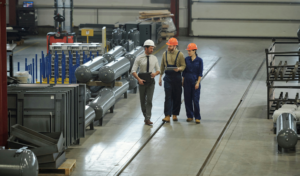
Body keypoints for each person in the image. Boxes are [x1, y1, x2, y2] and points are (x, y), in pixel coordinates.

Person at [131, 39, 160, 125]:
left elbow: (159, 69)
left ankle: (148, 118)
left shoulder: (154, 58)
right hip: (142, 82)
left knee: (149, 100)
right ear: (146, 48)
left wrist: (155, 73)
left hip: (151, 81)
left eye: (153, 48)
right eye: (151, 48)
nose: (152, 50)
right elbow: (133, 71)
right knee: (143, 100)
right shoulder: (139, 58)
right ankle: (145, 116)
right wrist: (139, 79)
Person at [159, 38, 186, 122]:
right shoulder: (164, 54)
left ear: (174, 46)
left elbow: (183, 65)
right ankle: (167, 115)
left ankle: (175, 114)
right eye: (168, 45)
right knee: (168, 97)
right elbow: (162, 65)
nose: (168, 47)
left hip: (177, 78)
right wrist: (160, 76)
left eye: (170, 45)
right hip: (168, 78)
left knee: (177, 97)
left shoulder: (180, 54)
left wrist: (179, 69)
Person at [182, 43, 203, 124]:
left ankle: (197, 117)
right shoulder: (186, 59)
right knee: (187, 99)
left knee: (195, 100)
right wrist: (183, 81)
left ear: (194, 51)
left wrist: (198, 83)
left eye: (190, 51)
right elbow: (184, 72)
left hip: (195, 82)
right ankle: (190, 116)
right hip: (187, 81)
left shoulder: (199, 60)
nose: (188, 52)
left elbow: (200, 73)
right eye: (188, 51)